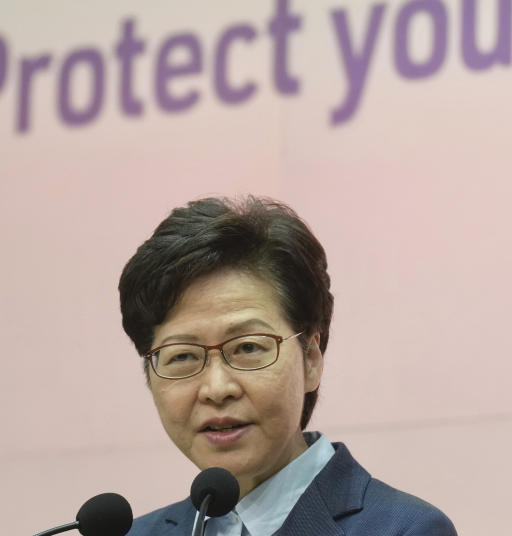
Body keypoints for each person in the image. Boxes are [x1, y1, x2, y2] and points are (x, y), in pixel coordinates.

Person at [118, 196, 457, 535]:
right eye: (183, 356)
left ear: (311, 357)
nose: (217, 389)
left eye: (248, 347)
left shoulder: (404, 529)